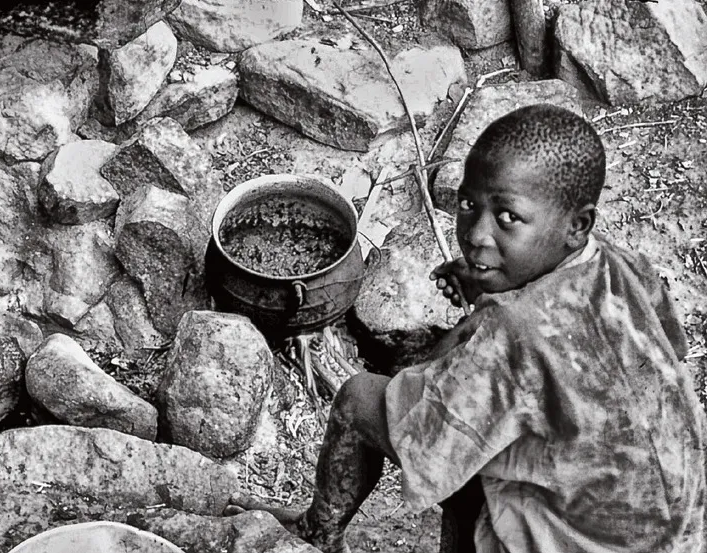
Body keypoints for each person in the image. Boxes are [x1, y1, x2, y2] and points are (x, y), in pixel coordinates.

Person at [226, 104, 707, 553]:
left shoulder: (514, 327)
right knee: (479, 458)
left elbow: (433, 426)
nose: (477, 234)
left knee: (359, 400)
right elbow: (671, 349)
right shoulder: (623, 265)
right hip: (675, 524)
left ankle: (317, 534)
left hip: (580, 539)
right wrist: (494, 290)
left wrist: (476, 324)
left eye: (507, 217)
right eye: (468, 204)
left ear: (576, 226)